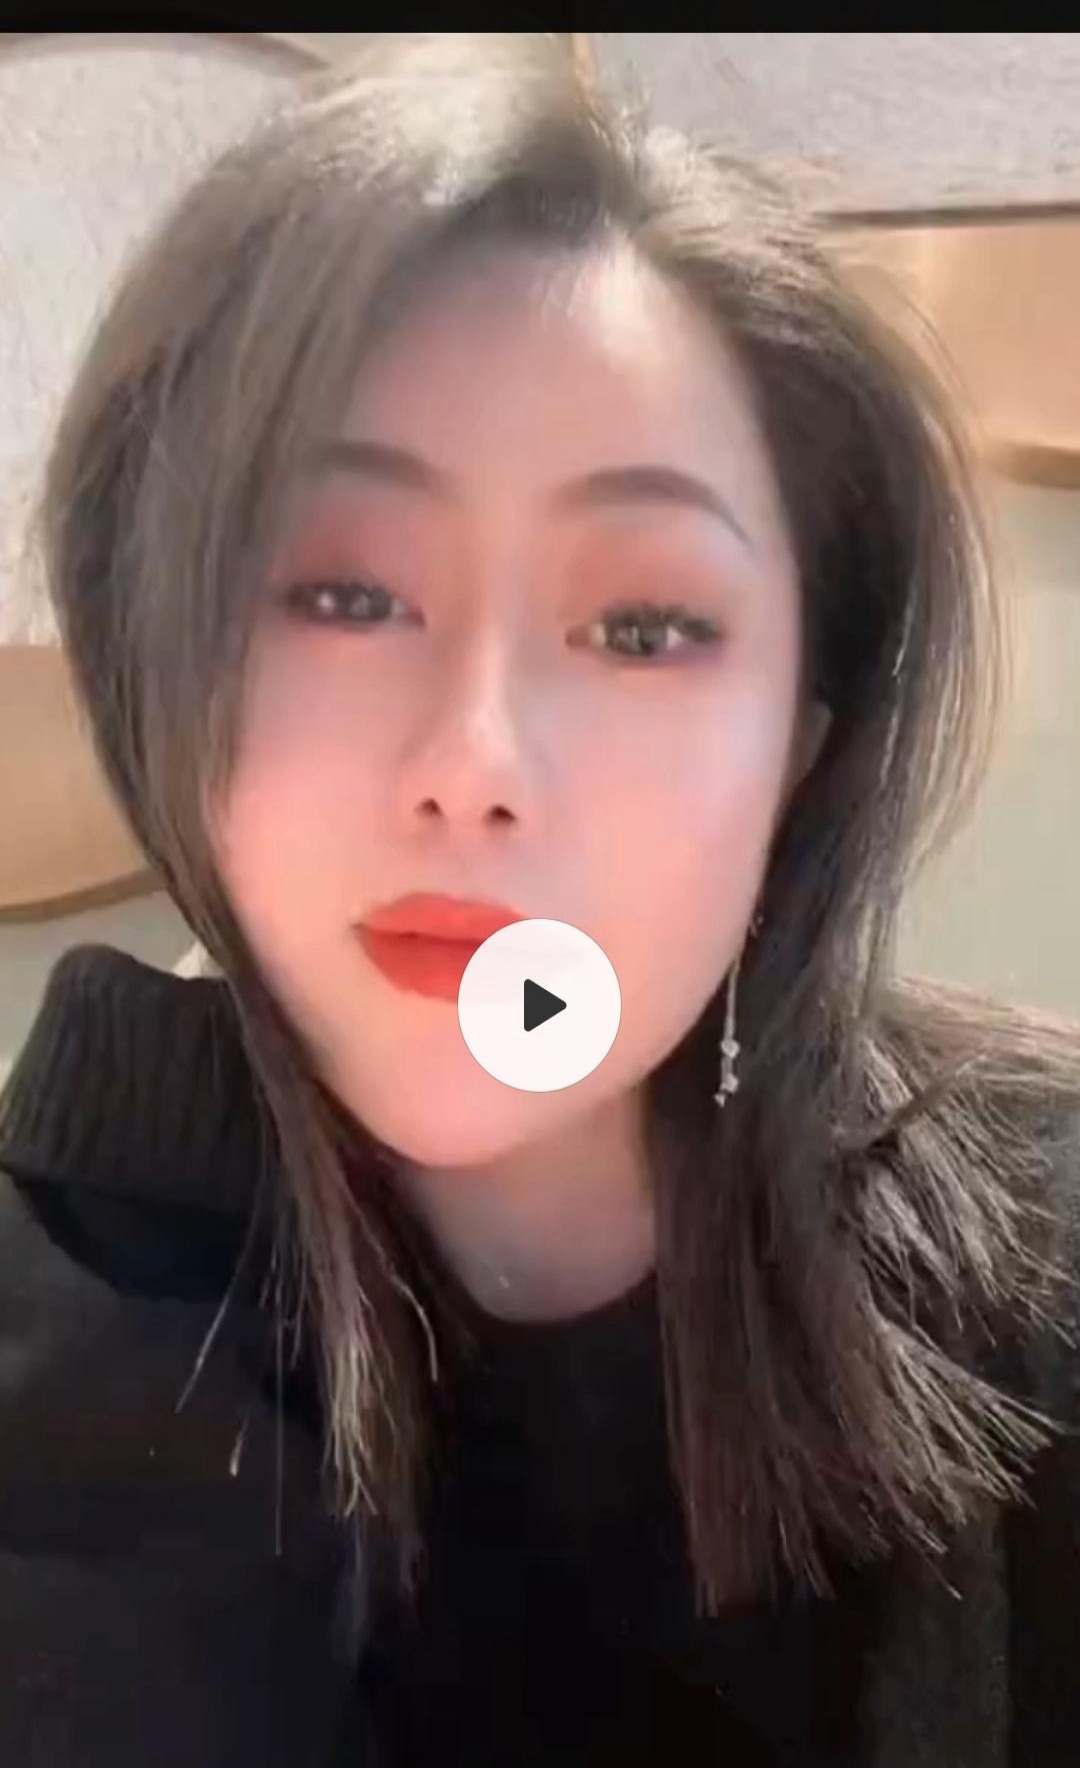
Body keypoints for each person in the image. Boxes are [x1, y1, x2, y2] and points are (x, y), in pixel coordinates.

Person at [1, 31, 1079, 1768]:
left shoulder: (1045, 1256)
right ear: (167, 660)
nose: (476, 762)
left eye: (643, 628)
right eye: (342, 595)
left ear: (802, 744)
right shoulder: (64, 1310)